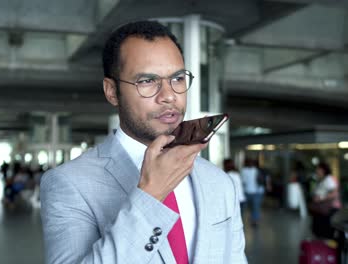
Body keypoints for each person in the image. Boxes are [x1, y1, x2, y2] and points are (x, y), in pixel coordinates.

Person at [40, 21, 246, 264]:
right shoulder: (69, 184)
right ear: (112, 91)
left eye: (178, 78)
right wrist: (150, 195)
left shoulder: (218, 182)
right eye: (147, 81)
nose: (169, 95)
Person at [309, 162, 341, 239]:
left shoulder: (328, 179)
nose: (317, 171)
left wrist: (321, 198)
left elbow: (334, 193)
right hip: (322, 209)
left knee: (324, 229)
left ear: (323, 170)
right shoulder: (323, 180)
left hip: (327, 208)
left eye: (318, 169)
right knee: (320, 228)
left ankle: (325, 247)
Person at [241, 158, 264, 227]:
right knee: (252, 208)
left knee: (255, 207)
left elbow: (243, 181)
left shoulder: (252, 170)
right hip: (250, 192)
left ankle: (255, 221)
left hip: (254, 192)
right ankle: (254, 221)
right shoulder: (247, 170)